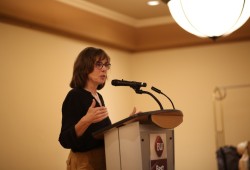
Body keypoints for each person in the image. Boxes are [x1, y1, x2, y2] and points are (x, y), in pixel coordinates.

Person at [59, 47, 112, 170]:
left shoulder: (99, 96)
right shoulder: (75, 96)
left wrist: (129, 123)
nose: (104, 69)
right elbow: (64, 140)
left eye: (106, 65)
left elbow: (101, 131)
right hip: (85, 161)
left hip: (103, 158)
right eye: (99, 64)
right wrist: (86, 120)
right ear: (84, 67)